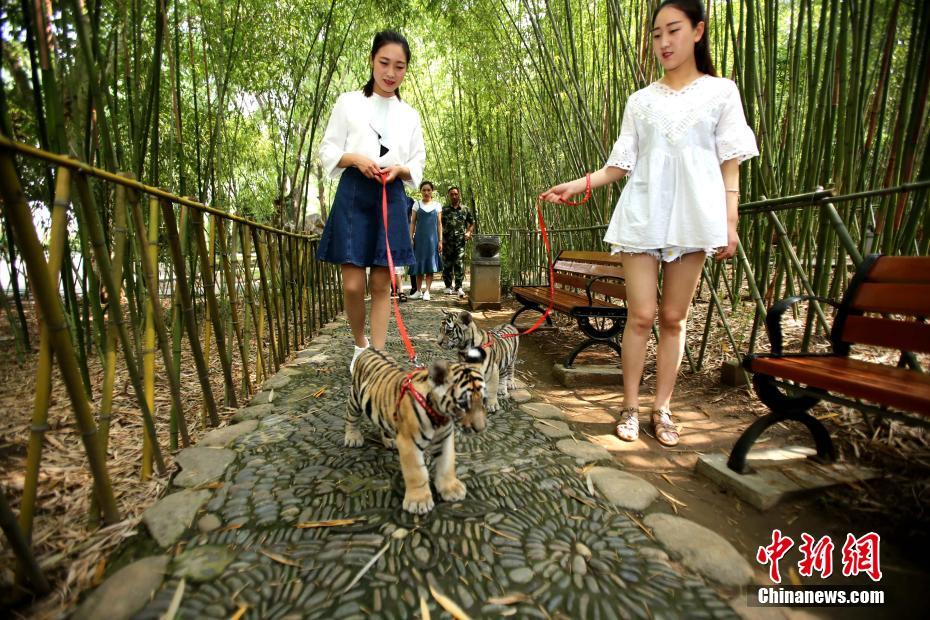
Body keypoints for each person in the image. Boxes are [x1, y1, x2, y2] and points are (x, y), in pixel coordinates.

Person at [541, 0, 758, 447]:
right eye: (656, 34)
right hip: (643, 214)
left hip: (695, 216)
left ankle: (662, 408)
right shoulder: (640, 101)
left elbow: (729, 165)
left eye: (673, 31)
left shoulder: (722, 92)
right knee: (640, 316)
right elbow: (619, 165)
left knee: (674, 318)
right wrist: (576, 184)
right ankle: (629, 406)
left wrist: (730, 221)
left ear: (698, 31)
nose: (663, 42)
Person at [317, 30, 425, 373]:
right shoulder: (348, 102)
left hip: (390, 195)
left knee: (381, 283)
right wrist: (354, 158)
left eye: (399, 66)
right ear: (372, 61)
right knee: (352, 283)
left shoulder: (410, 114)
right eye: (384, 63)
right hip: (353, 193)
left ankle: (375, 357)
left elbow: (418, 163)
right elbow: (328, 150)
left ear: (406, 70)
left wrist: (400, 169)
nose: (391, 72)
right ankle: (359, 344)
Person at [409, 181, 443, 301]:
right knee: (419, 265)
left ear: (432, 191)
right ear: (421, 191)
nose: (426, 192)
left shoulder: (437, 205)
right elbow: (413, 222)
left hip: (432, 240)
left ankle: (427, 291)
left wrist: (440, 240)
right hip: (419, 239)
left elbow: (439, 224)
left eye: (428, 190)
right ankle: (418, 291)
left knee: (430, 265)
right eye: (424, 190)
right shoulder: (416, 205)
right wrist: (410, 238)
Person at [440, 186, 475, 297]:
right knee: (447, 264)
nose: (454, 196)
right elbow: (439, 225)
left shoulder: (465, 209)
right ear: (449, 195)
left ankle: (459, 287)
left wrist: (469, 232)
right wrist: (440, 239)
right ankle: (448, 286)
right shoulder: (444, 210)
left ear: (459, 194)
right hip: (447, 242)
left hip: (460, 242)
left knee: (459, 264)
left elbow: (472, 223)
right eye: (452, 194)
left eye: (456, 194)